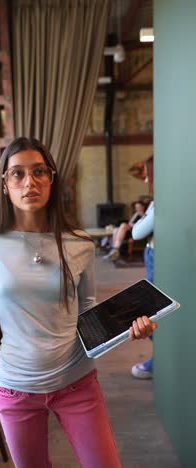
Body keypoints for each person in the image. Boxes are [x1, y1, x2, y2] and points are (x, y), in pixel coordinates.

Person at [0, 137, 157, 467]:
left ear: (52, 179)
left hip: (77, 382)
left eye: (39, 171)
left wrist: (127, 329)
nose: (29, 182)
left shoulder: (79, 243)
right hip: (16, 389)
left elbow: (87, 317)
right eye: (17, 174)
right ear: (5, 186)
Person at [131, 155, 154, 380]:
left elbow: (137, 232)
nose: (147, 181)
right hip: (152, 252)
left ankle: (158, 361)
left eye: (148, 176)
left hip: (156, 255)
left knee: (154, 308)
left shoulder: (160, 203)